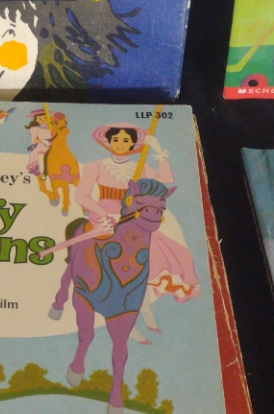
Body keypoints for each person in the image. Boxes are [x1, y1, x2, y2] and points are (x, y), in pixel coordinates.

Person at [74, 124, 200, 330]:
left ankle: (142, 306)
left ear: (133, 144)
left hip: (135, 216)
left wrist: (158, 150)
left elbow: (167, 179)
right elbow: (81, 196)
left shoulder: (140, 167)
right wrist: (105, 213)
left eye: (125, 140)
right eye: (116, 140)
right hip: (105, 214)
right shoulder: (95, 165)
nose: (120, 144)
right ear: (109, 142)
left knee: (169, 252)